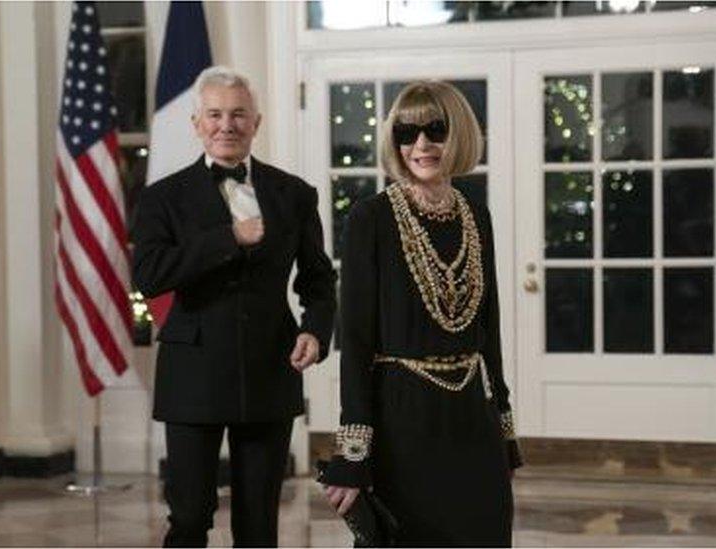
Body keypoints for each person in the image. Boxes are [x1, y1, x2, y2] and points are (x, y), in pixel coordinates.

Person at [132, 66, 336, 547]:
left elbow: (318, 279)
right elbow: (149, 275)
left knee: (259, 523)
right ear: (197, 123)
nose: (228, 125)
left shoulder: (295, 194)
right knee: (188, 516)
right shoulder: (163, 197)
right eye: (216, 114)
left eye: (239, 114)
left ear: (256, 122)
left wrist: (315, 330)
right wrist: (228, 238)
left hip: (270, 366)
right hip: (193, 372)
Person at [322, 80, 522, 546]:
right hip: (402, 418)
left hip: (473, 415)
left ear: (459, 134)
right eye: (406, 134)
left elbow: (488, 329)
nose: (422, 145)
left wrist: (505, 431)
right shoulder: (369, 219)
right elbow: (353, 340)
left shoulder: (477, 215)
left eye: (435, 130)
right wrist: (353, 453)